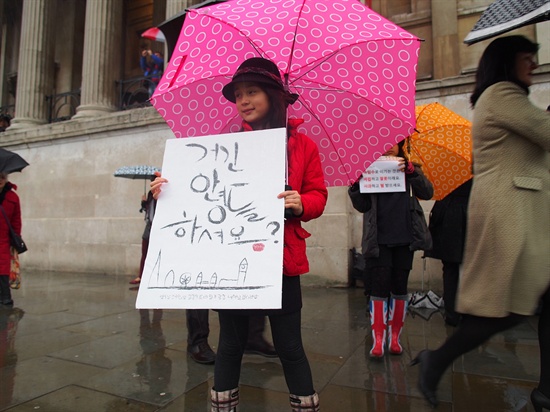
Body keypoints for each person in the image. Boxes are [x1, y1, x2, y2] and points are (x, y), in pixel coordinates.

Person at [151, 57, 328, 411]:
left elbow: (318, 196)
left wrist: (301, 202)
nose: (243, 101)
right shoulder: (224, 145)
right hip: (231, 258)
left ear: (274, 95)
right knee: (230, 343)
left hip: (282, 261)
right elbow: (199, 190)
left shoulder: (303, 145)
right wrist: (166, 188)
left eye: (252, 92)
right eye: (238, 95)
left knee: (290, 345)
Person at [411, 36, 550, 411]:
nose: (534, 65)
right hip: (511, 217)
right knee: (507, 310)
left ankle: (546, 391)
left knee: (519, 306)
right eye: (527, 58)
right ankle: (436, 360)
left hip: (527, 216)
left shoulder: (508, 100)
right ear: (507, 62)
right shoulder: (502, 95)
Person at [348, 142, 433, 358]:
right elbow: (362, 205)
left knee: (399, 287)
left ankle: (395, 338)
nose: (387, 148)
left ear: (401, 144)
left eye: (392, 144)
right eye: (382, 144)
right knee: (378, 287)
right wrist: (356, 185)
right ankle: (378, 340)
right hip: (379, 239)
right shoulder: (369, 169)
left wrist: (413, 173)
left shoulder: (409, 168)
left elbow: (428, 191)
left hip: (405, 238)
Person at [425, 178, 472, 326]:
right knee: (469, 269)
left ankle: (452, 313)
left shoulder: (449, 168)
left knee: (450, 269)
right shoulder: (481, 167)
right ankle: (467, 313)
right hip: (470, 213)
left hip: (448, 214)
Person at [0, 173, 21, 307]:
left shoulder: (12, 197)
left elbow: (16, 220)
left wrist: (16, 238)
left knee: (3, 269)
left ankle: (5, 297)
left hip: (4, 239)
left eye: (2, 177)